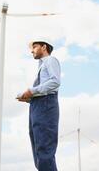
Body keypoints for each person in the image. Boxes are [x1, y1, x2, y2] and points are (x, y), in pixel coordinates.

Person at [17, 39, 61, 171]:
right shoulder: (41, 66)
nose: (32, 50)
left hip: (46, 105)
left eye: (34, 47)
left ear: (44, 47)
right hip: (38, 105)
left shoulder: (51, 60)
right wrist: (29, 98)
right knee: (38, 148)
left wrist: (32, 91)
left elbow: (55, 82)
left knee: (44, 148)